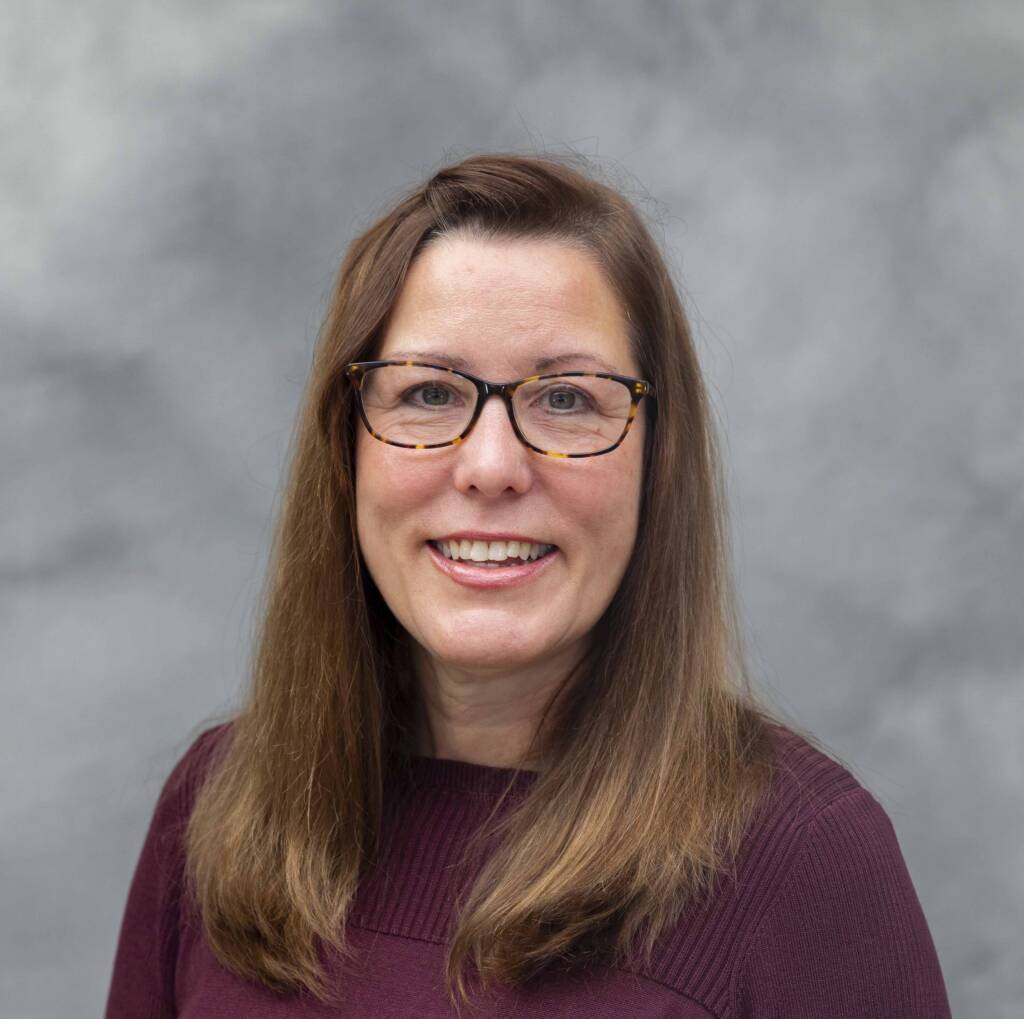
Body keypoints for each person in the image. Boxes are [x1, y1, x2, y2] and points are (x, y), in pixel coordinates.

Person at [105, 152, 952, 1017]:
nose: (491, 465)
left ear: (657, 459)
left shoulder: (805, 857)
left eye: (568, 399)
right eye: (430, 392)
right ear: (346, 451)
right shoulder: (219, 804)